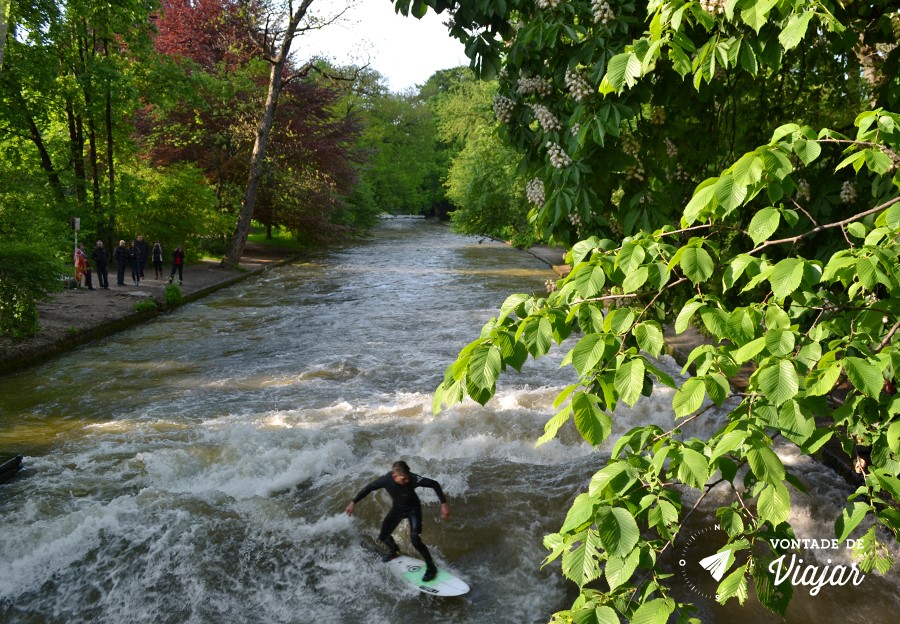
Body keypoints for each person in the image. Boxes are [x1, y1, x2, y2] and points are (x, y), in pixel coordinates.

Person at [345, 460, 450, 582]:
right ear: (395, 476)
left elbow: (434, 484)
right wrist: (353, 502)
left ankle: (431, 568)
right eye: (403, 479)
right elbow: (368, 488)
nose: (407, 481)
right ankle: (394, 550)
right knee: (383, 536)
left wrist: (444, 504)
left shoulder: (413, 478)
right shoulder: (386, 480)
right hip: (398, 510)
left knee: (415, 540)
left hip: (413, 510)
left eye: (407, 478)